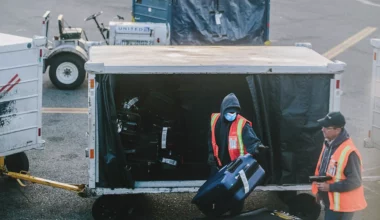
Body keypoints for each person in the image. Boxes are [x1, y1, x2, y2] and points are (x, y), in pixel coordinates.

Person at [311, 111, 367, 220]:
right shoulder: (328, 144)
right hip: (331, 203)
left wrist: (329, 187)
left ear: (337, 130)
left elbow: (355, 181)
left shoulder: (350, 152)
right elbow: (323, 170)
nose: (322, 129)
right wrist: (320, 192)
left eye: (327, 127)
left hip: (342, 207)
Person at [207, 93, 265, 173]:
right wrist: (211, 153)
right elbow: (211, 138)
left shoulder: (242, 124)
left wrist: (256, 147)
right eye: (229, 112)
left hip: (237, 166)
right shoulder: (215, 120)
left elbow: (251, 140)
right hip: (218, 163)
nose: (232, 114)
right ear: (223, 110)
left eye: (234, 112)